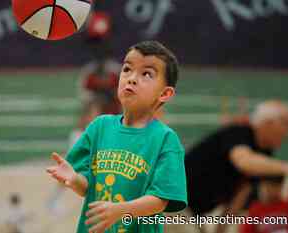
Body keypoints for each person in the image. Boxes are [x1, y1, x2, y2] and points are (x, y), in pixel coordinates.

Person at [47, 41, 187, 233]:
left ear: (165, 94)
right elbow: (89, 188)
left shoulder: (166, 140)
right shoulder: (99, 127)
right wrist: (74, 179)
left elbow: (160, 200)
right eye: (127, 69)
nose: (132, 78)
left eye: (146, 74)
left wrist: (121, 211)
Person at [178, 100, 288, 233]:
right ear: (269, 123)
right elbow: (244, 162)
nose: (287, 132)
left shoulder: (263, 152)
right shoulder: (239, 133)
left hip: (194, 211)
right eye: (286, 123)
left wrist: (221, 228)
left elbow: (241, 193)